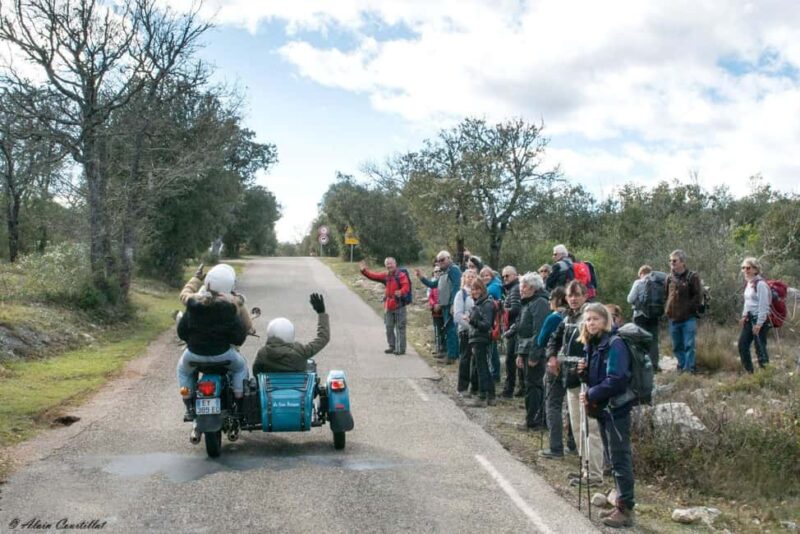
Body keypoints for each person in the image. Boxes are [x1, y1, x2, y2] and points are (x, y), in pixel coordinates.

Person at [541, 281, 603, 491]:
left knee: (590, 429)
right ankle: (586, 469)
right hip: (570, 379)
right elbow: (554, 339)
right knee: (577, 428)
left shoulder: (591, 316)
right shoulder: (567, 317)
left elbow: (598, 344)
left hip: (588, 380)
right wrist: (551, 357)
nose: (574, 298)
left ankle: (594, 474)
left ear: (585, 295)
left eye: (578, 295)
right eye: (570, 295)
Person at [578, 303, 636, 528]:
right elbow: (598, 377)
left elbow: (616, 379)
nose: (591, 323)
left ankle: (626, 510)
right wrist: (583, 375)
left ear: (605, 321)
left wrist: (591, 392)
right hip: (603, 408)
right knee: (613, 458)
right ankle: (619, 504)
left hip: (616, 409)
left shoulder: (615, 343)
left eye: (595, 319)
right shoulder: (593, 344)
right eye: (588, 319)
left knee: (620, 458)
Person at [176, 264, 251, 420]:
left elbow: (182, 332)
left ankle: (188, 404)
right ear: (230, 284)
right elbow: (239, 337)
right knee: (240, 367)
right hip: (223, 355)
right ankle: (239, 399)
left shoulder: (193, 303)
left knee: (183, 370)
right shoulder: (232, 306)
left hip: (194, 355)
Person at [252, 293, 330, 373]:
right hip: (299, 385)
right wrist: (321, 313)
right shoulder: (300, 351)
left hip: (271, 385)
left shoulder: (263, 353)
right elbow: (323, 338)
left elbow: (256, 372)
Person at [511, 272, 550, 430]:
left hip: (535, 352)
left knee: (534, 386)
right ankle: (533, 418)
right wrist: (520, 353)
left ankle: (534, 421)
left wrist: (534, 354)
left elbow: (539, 331)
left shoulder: (540, 303)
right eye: (521, 286)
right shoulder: (528, 302)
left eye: (524, 286)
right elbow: (523, 330)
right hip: (526, 350)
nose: (521, 289)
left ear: (534, 287)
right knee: (530, 385)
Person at [417, 251, 462, 364]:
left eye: (443, 259)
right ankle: (449, 354)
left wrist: (453, 304)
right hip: (445, 306)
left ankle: (452, 357)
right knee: (448, 331)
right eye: (439, 260)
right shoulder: (444, 272)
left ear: (449, 258)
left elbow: (457, 287)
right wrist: (422, 278)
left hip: (450, 305)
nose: (440, 262)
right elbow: (433, 285)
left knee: (451, 330)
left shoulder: (454, 270)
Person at [360, 257, 411, 355]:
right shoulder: (386, 275)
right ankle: (392, 346)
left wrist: (401, 292)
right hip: (388, 305)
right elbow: (373, 276)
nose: (389, 266)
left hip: (399, 304)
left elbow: (406, 286)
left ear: (395, 264)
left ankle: (401, 348)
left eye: (390, 263)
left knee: (400, 327)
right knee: (389, 327)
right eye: (387, 264)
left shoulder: (401, 275)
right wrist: (364, 271)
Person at [665, 250, 702, 373]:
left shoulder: (692, 276)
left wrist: (687, 309)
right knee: (676, 346)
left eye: (674, 260)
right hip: (673, 318)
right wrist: (668, 310)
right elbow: (666, 295)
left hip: (688, 318)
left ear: (682, 262)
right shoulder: (669, 277)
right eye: (670, 260)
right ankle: (681, 365)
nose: (672, 263)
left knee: (689, 345)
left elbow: (697, 296)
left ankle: (690, 368)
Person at [465, 278, 496, 407]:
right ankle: (490, 396)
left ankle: (483, 397)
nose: (475, 291)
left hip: (482, 339)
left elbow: (486, 324)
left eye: (477, 288)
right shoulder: (478, 303)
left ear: (483, 289)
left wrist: (471, 320)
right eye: (473, 289)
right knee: (481, 368)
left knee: (483, 368)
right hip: (477, 339)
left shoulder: (486, 304)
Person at [627, 265, 662, 372]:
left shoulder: (638, 283)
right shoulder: (657, 283)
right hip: (654, 315)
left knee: (640, 340)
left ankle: (642, 365)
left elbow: (630, 299)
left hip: (640, 316)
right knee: (653, 340)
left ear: (641, 273)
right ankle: (654, 365)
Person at [739, 257, 771, 372]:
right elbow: (747, 302)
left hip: (759, 320)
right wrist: (744, 316)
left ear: (755, 269)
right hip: (749, 318)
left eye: (748, 268)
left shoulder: (761, 284)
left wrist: (759, 323)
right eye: (743, 268)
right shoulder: (749, 283)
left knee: (760, 349)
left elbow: (764, 305)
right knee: (742, 345)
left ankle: (766, 374)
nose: (745, 270)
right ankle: (749, 373)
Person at [500, 265, 524, 398]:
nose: (505, 278)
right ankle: (521, 388)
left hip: (514, 329)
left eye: (507, 276)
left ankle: (509, 390)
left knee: (511, 360)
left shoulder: (515, 289)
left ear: (515, 275)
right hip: (514, 328)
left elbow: (516, 309)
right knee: (515, 360)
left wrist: (502, 310)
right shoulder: (513, 288)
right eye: (503, 276)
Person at [454, 269, 478, 396]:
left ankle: (475, 387)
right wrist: (471, 327)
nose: (471, 278)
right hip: (465, 331)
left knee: (477, 360)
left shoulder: (481, 293)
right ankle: (462, 387)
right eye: (468, 276)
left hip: (478, 332)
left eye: (474, 276)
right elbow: (457, 315)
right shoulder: (461, 294)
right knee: (465, 358)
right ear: (464, 278)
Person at [481, 266, 503, 382]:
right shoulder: (490, 285)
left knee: (493, 348)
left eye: (487, 275)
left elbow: (482, 295)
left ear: (492, 276)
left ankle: (495, 373)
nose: (485, 278)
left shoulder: (494, 287)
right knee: (491, 348)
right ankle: (493, 372)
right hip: (490, 319)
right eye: (483, 276)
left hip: (493, 320)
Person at [427, 265, 445, 355]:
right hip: (435, 311)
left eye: (439, 271)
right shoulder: (432, 284)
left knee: (444, 331)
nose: (438, 273)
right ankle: (438, 349)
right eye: (436, 272)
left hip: (444, 310)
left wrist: (440, 305)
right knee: (437, 330)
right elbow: (430, 296)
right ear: (433, 273)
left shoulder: (446, 282)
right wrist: (434, 304)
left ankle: (444, 349)